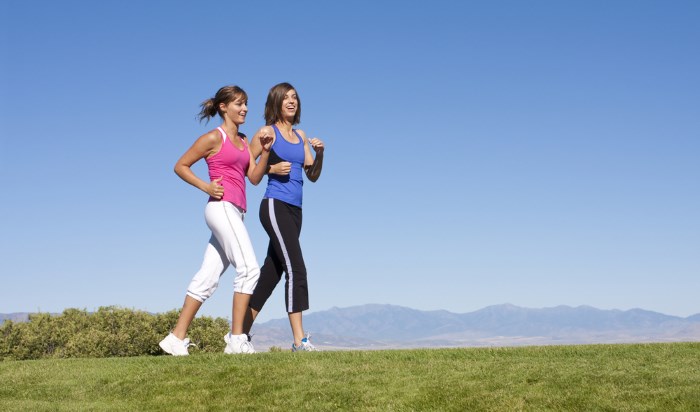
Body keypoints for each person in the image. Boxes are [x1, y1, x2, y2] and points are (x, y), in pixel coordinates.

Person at [159, 85, 272, 356]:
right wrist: (206, 186)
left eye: (246, 104)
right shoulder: (213, 137)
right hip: (220, 207)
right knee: (249, 269)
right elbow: (180, 166)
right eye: (238, 104)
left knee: (207, 278)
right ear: (223, 107)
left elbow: (253, 178)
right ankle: (236, 339)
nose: (244, 109)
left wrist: (265, 151)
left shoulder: (245, 141)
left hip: (237, 212)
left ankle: (176, 337)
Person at [243, 82, 325, 351]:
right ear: (276, 102)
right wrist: (271, 168)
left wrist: (320, 153)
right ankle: (299, 341)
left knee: (272, 273)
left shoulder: (301, 136)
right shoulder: (268, 132)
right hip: (274, 205)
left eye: (295, 97)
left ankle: (239, 333)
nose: (292, 101)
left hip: (295, 210)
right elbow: (250, 173)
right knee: (297, 268)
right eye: (286, 98)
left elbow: (312, 176)